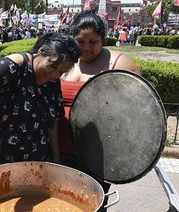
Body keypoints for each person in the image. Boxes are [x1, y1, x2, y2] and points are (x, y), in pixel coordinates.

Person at [57, 10, 141, 211]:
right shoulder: (66, 61)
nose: (86, 47)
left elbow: (140, 108)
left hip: (97, 156)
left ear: (103, 38)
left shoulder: (119, 63)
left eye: (93, 42)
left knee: (91, 206)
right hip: (59, 150)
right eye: (80, 41)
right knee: (61, 203)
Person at [0, 33, 82, 177]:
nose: (54, 74)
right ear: (41, 51)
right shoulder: (19, 64)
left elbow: (52, 123)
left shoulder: (53, 83)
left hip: (34, 165)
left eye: (61, 72)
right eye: (52, 65)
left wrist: (55, 158)